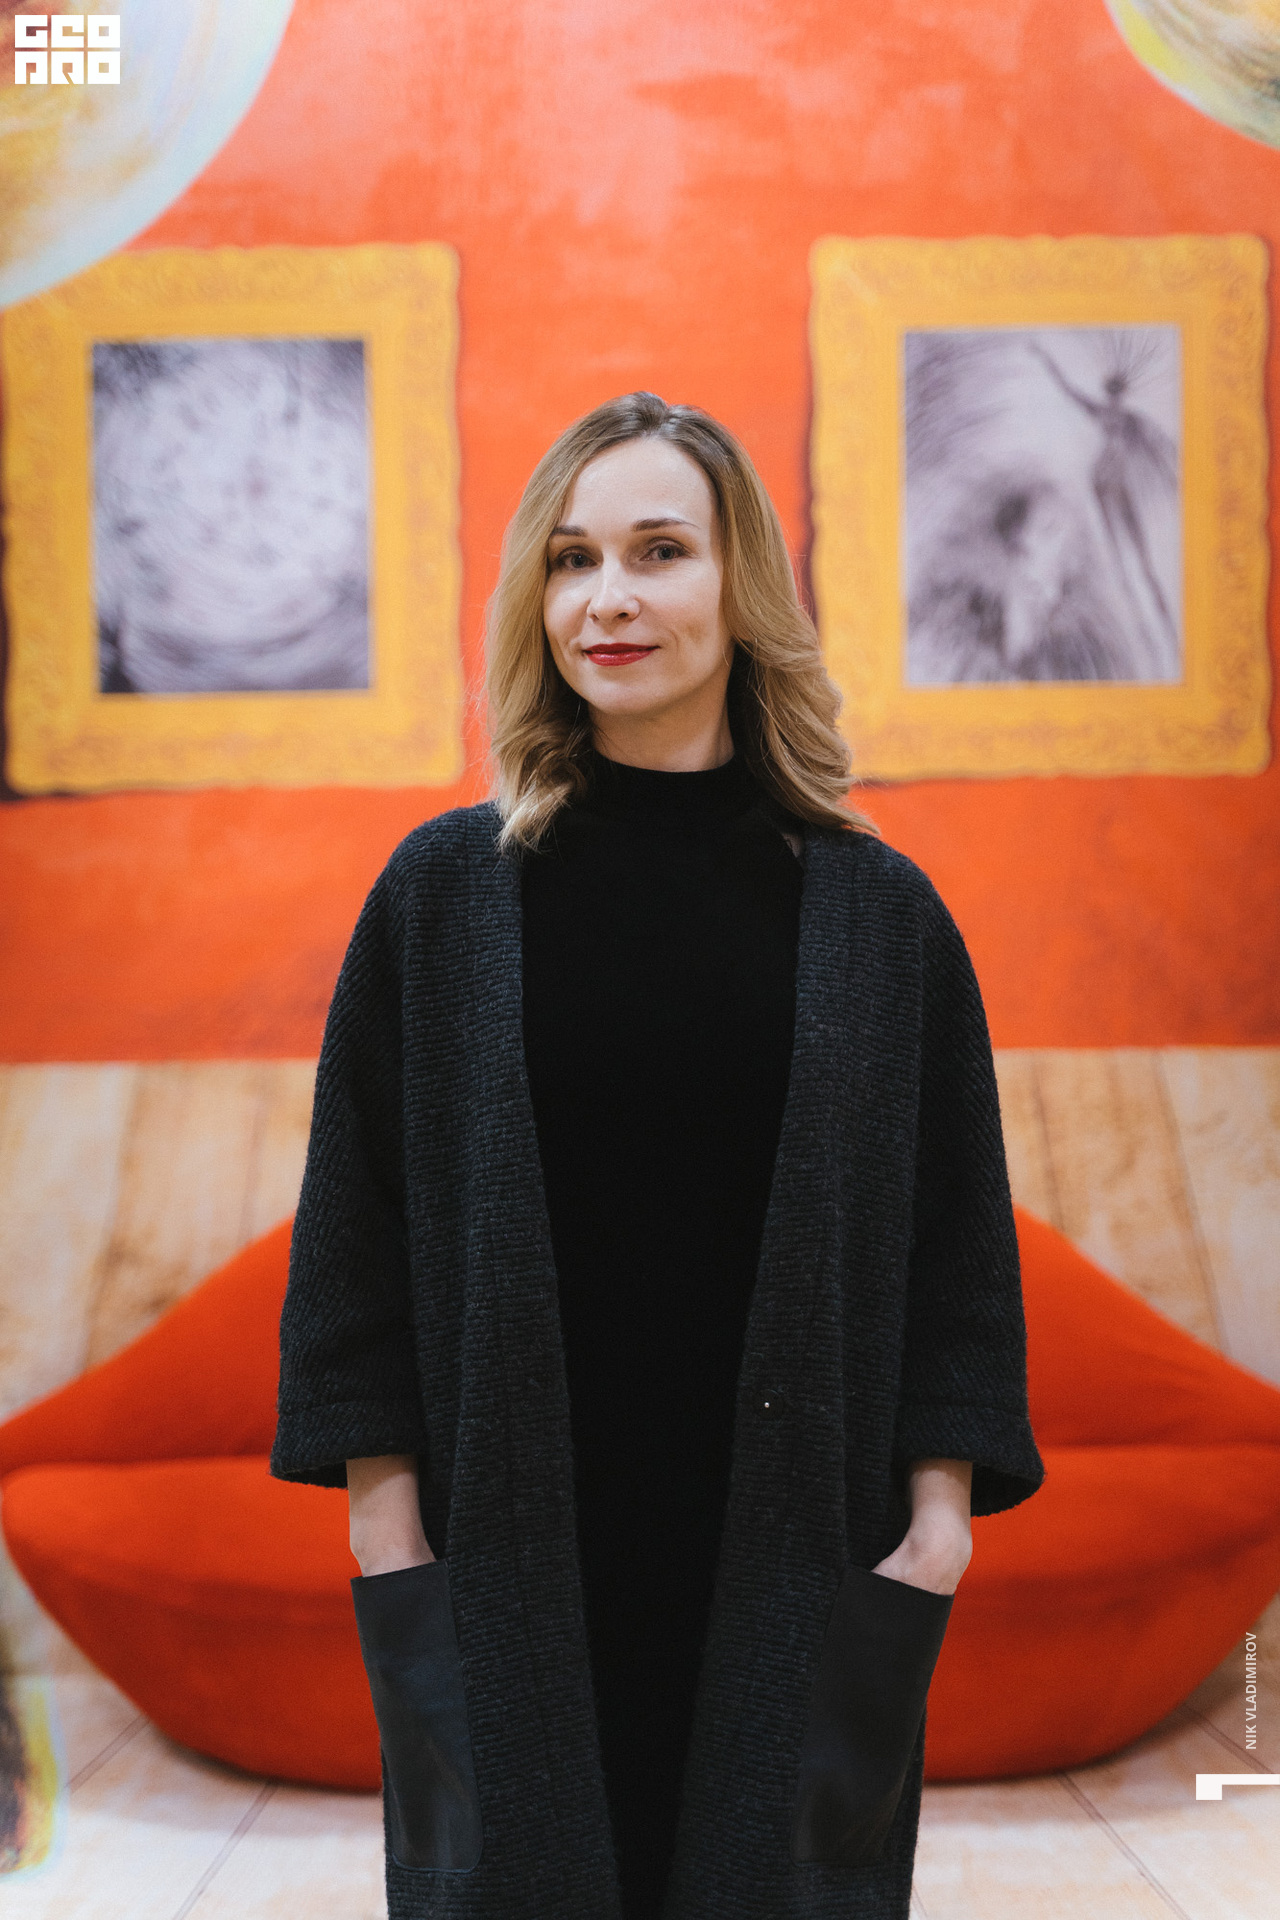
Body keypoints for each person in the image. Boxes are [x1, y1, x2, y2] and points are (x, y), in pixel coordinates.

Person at [270, 392, 1044, 1920]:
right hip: (501, 1550)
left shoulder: (881, 918)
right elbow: (352, 1232)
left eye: (657, 551)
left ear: (742, 586)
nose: (607, 598)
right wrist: (385, 1521)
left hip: (803, 1541)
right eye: (571, 560)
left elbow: (957, 1240)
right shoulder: (442, 897)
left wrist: (940, 1519)